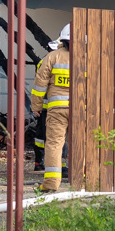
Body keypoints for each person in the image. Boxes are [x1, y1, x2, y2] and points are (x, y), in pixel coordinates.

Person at [31, 24, 71, 192]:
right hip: (82, 110)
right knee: (82, 144)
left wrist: (36, 106)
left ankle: (50, 185)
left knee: (54, 144)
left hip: (57, 110)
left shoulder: (52, 57)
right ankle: (85, 180)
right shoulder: (89, 58)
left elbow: (40, 83)